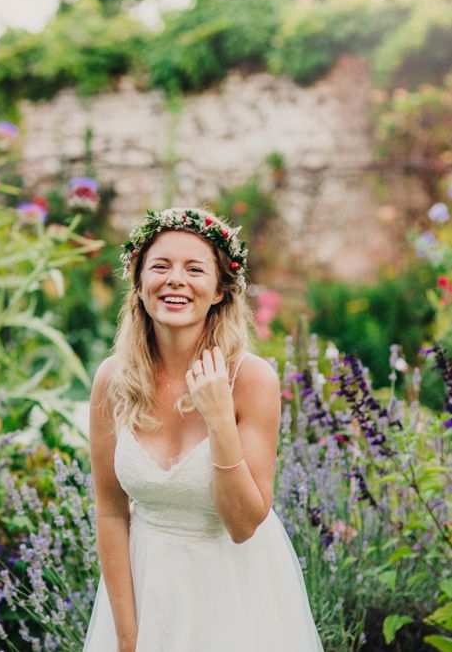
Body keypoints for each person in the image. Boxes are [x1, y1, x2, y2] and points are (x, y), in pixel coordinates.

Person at [83, 207, 324, 651]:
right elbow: (111, 512)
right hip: (147, 585)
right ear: (139, 285)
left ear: (219, 291)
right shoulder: (113, 380)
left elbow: (242, 524)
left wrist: (218, 420)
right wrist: (127, 634)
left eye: (194, 269)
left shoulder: (252, 381)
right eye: (160, 266)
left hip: (236, 595)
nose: (175, 279)